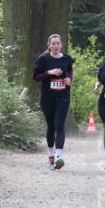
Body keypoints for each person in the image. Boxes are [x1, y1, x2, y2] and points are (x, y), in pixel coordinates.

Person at [32, 34, 74, 170]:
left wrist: (69, 80)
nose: (56, 46)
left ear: (61, 45)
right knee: (51, 126)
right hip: (47, 98)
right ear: (49, 45)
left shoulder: (67, 58)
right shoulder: (43, 59)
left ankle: (58, 157)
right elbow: (36, 77)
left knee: (59, 125)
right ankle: (50, 153)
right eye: (53, 44)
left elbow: (69, 71)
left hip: (63, 96)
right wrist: (49, 73)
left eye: (58, 43)